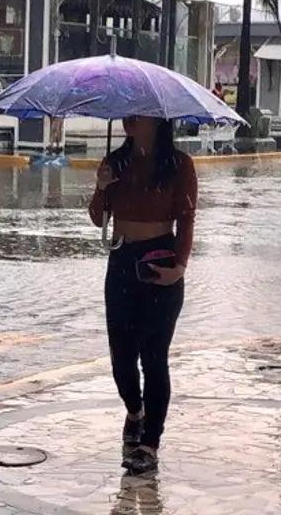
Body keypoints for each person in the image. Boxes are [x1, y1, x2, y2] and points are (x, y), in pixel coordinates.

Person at [88, 115, 198, 475]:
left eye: (139, 113)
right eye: (126, 113)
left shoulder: (179, 165)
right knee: (121, 359)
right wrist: (102, 186)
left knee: (154, 357)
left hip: (159, 259)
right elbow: (95, 217)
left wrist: (179, 266)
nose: (129, 120)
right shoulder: (115, 161)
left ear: (158, 119)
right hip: (121, 260)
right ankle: (134, 411)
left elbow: (187, 220)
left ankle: (150, 444)